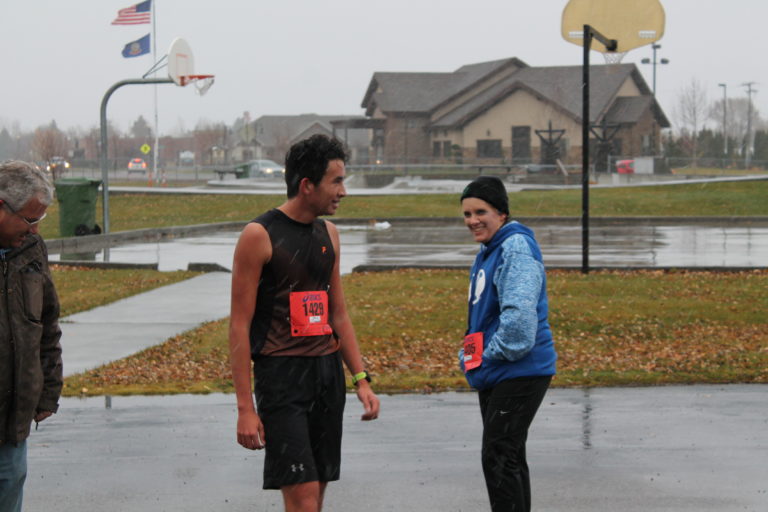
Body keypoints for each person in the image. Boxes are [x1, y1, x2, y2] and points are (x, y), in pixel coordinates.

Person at [229, 134, 380, 512]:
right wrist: (245, 408)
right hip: (281, 378)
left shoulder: (329, 234)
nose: (343, 191)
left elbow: (338, 313)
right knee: (304, 500)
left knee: (317, 495)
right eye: (336, 181)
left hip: (327, 377)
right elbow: (238, 327)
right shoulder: (259, 235)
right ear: (306, 185)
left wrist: (360, 379)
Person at [458, 176, 556, 512]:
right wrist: (470, 356)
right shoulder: (490, 251)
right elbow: (486, 317)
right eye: (467, 214)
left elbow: (519, 324)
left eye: (480, 212)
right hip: (498, 369)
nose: (473, 221)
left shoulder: (515, 247)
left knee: (499, 457)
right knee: (507, 456)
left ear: (501, 212)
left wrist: (484, 356)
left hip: (520, 369)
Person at [0, 160, 62, 512]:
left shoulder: (32, 252)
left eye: (40, 220)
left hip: (12, 427)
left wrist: (48, 390)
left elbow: (47, 324)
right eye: (29, 219)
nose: (35, 231)